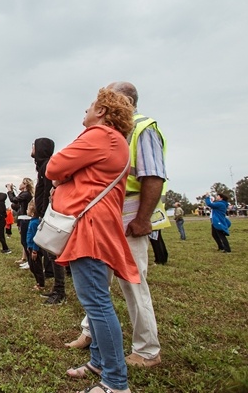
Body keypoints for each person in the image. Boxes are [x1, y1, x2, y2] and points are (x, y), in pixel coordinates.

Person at [67, 82, 168, 368]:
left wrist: (142, 219)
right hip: (105, 217)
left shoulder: (142, 128)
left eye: (104, 96)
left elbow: (153, 177)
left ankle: (147, 350)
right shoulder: (107, 132)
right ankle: (90, 333)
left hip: (129, 217)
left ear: (120, 100)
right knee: (98, 282)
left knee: (133, 283)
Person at [48, 87, 139, 393]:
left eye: (89, 106)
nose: (84, 112)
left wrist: (65, 178)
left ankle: (115, 382)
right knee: (96, 301)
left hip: (90, 229)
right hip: (99, 226)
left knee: (97, 303)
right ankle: (99, 362)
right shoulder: (117, 142)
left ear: (101, 111)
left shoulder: (100, 135)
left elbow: (54, 167)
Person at [32, 137, 65, 305]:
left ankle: (60, 291)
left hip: (49, 215)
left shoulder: (47, 166)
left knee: (54, 254)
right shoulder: (42, 166)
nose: (31, 148)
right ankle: (57, 288)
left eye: (34, 146)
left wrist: (45, 214)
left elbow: (47, 193)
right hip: (45, 214)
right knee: (51, 254)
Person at [8, 178, 34, 267]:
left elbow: (14, 200)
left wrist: (9, 190)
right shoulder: (25, 194)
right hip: (24, 218)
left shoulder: (26, 194)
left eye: (22, 183)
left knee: (25, 241)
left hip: (25, 219)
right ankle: (28, 261)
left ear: (25, 185)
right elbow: (16, 200)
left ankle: (31, 262)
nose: (20, 184)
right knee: (25, 241)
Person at [25, 201, 45, 291]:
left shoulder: (34, 223)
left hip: (34, 249)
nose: (26, 210)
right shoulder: (32, 221)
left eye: (28, 209)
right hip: (30, 247)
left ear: (32, 213)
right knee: (32, 266)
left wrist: (34, 250)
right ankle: (38, 282)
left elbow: (36, 238)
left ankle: (41, 284)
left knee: (37, 267)